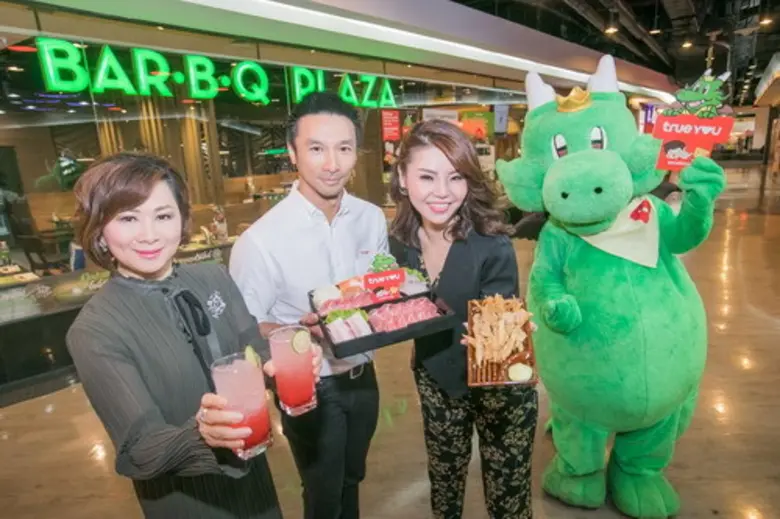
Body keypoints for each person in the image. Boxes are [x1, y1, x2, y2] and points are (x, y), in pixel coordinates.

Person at [66, 153, 321, 519]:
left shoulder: (212, 277)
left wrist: (285, 365)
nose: (149, 234)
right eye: (127, 218)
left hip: (254, 478)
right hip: (185, 498)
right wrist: (201, 436)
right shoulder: (97, 328)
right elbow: (139, 449)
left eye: (163, 215)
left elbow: (253, 345)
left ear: (182, 219)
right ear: (100, 231)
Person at [229, 92, 388, 519]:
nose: (332, 163)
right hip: (310, 388)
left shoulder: (371, 218)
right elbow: (244, 331)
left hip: (363, 375)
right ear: (293, 153)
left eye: (344, 148)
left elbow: (378, 288)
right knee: (322, 493)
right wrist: (301, 335)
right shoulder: (261, 240)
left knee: (353, 478)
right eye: (316, 148)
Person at [388, 120, 538, 519]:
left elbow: (500, 326)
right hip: (436, 377)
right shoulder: (398, 243)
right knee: (444, 485)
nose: (442, 192)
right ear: (403, 178)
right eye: (426, 176)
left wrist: (507, 339)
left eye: (456, 177)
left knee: (509, 497)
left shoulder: (492, 242)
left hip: (500, 392)